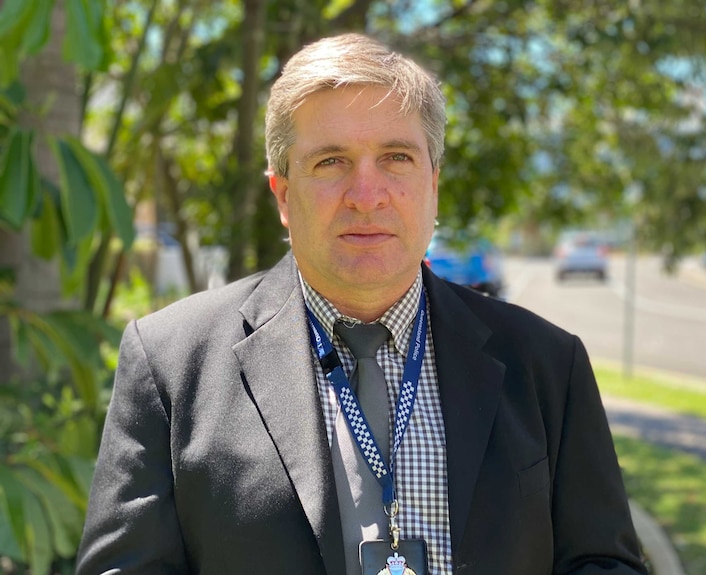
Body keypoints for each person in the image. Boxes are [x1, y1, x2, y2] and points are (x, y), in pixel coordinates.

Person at [76, 33, 647, 575]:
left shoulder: (547, 363)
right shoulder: (172, 364)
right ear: (283, 195)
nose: (366, 195)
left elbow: (604, 561)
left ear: (433, 184)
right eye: (331, 162)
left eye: (396, 157)